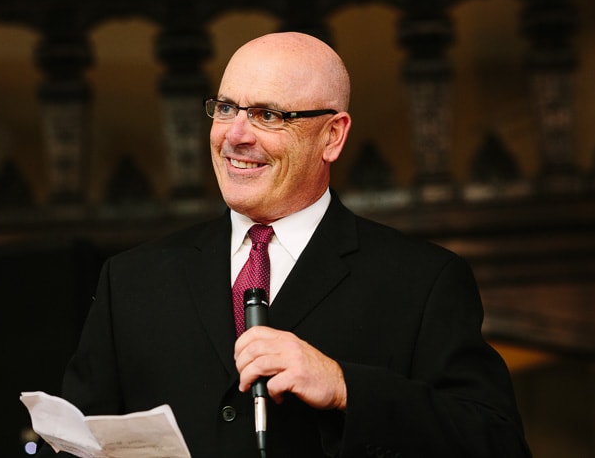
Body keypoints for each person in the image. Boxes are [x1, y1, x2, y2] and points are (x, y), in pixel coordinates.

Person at [36, 32, 531, 457]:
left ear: (332, 136)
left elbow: (495, 443)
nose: (235, 135)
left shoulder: (422, 281)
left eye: (268, 115)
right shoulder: (131, 282)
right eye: (226, 108)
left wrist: (343, 386)